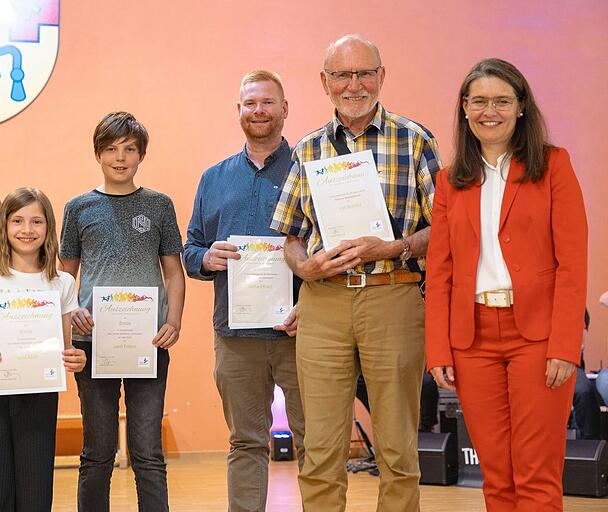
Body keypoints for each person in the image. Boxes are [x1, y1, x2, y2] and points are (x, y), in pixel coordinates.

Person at [270, 35, 441, 512]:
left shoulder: (415, 139)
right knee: (321, 447)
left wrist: (397, 246)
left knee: (397, 446)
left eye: (364, 73)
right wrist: (305, 265)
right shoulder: (306, 150)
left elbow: (446, 229)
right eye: (342, 75)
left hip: (395, 294)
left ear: (382, 77)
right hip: (324, 302)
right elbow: (289, 236)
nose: (354, 85)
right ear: (325, 82)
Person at [426, 58, 588, 512]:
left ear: (521, 108)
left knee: (535, 476)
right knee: (496, 477)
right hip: (473, 340)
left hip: (537, 338)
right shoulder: (449, 182)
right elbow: (440, 273)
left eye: (501, 100)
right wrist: (438, 349)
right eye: (478, 101)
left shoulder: (554, 166)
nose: (489, 111)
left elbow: (573, 265)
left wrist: (564, 344)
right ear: (464, 108)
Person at [183, 70, 305, 512]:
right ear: (238, 111)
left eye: (268, 102)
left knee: (315, 443)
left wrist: (307, 305)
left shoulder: (306, 171)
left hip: (300, 333)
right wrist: (204, 258)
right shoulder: (214, 178)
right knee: (245, 442)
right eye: (250, 103)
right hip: (235, 337)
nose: (259, 111)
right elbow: (191, 247)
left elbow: (328, 247)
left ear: (284, 109)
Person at [60, 111, 186, 512]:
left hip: (148, 341)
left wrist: (174, 321)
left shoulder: (160, 205)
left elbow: (174, 272)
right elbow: (65, 276)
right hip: (92, 340)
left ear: (141, 154)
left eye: (129, 149)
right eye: (111, 149)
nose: (120, 157)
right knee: (97, 450)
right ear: (98, 153)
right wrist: (72, 310)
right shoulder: (78, 208)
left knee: (147, 450)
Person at [0, 187, 86, 511]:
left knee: (35, 485)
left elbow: (66, 347)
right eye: (17, 221)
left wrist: (76, 357)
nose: (27, 230)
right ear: (3, 226)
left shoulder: (62, 282)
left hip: (41, 392)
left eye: (36, 222)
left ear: (49, 228)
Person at [571, 310, 602, 439]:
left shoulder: (573, 303)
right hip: (531, 361)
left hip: (567, 363)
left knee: (584, 391)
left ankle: (590, 443)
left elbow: (580, 345)